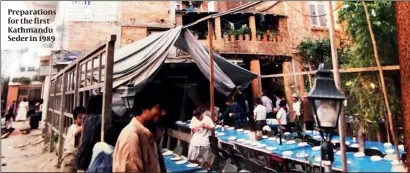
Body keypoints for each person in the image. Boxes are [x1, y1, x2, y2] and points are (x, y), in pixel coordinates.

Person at [113, 83, 168, 172]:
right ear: (144, 109)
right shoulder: (131, 136)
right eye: (159, 108)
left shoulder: (148, 134)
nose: (163, 113)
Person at [61, 106, 86, 172]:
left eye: (85, 118)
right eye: (80, 118)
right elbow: (77, 133)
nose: (83, 120)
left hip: (76, 156)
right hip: (70, 157)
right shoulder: (74, 127)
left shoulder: (74, 127)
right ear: (75, 119)